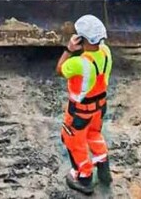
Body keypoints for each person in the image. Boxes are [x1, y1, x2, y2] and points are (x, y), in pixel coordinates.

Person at [56, 14, 113, 195]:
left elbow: (59, 70)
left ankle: (84, 177)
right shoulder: (106, 52)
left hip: (79, 112)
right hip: (99, 107)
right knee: (94, 134)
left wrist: (69, 49)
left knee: (74, 141)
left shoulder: (78, 63)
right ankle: (103, 166)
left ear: (81, 39)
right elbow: (99, 45)